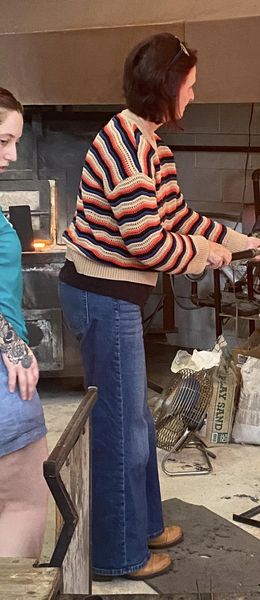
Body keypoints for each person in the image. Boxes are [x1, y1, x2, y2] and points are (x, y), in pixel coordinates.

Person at [58, 32, 260, 581]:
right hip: (102, 295)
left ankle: (143, 526)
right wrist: (204, 257)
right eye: (190, 85)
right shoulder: (126, 150)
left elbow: (176, 219)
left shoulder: (153, 147)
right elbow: (147, 244)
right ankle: (117, 554)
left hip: (116, 296)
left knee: (135, 421)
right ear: (165, 86)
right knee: (120, 427)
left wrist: (239, 241)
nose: (195, 95)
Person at [0, 87, 48, 558]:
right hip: (3, 377)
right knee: (22, 504)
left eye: (15, 142)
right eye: (2, 141)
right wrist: (11, 342)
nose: (12, 155)